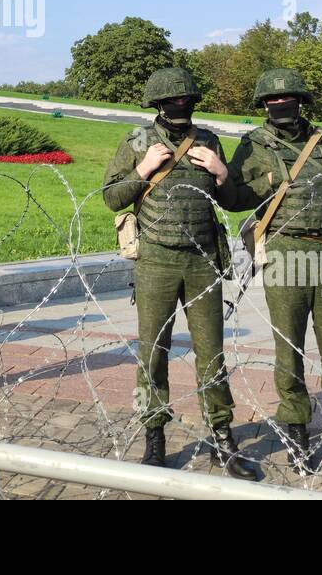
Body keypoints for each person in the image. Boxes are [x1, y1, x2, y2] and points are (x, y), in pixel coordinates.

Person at [102, 67, 261, 480]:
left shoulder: (207, 141)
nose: (180, 107)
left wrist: (222, 173)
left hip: (202, 261)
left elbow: (230, 202)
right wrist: (143, 170)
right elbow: (110, 197)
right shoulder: (138, 141)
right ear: (157, 104)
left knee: (211, 353)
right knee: (153, 351)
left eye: (186, 100)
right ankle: (153, 434)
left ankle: (222, 438)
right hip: (155, 261)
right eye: (173, 102)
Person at [227, 68, 322, 476]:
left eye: (288, 100)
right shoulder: (254, 145)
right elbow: (232, 199)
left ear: (302, 102)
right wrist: (233, 176)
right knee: (289, 349)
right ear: (263, 106)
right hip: (283, 252)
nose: (280, 106)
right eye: (271, 102)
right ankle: (295, 427)